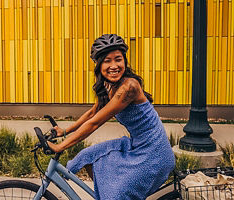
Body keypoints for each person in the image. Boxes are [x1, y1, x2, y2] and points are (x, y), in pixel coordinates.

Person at [47, 34, 175, 199]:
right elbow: (93, 113)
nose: (114, 66)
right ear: (99, 65)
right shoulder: (111, 86)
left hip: (154, 154)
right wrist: (64, 131)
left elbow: (95, 123)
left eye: (118, 59)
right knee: (87, 156)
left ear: (124, 62)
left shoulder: (129, 87)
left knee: (117, 195)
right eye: (107, 61)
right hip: (136, 145)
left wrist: (60, 147)